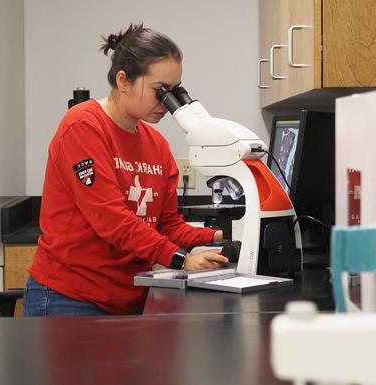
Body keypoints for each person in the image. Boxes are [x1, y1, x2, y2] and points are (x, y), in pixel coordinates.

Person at [24, 24, 228, 316]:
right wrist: (180, 260)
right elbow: (112, 220)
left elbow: (167, 225)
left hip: (128, 298)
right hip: (69, 298)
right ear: (123, 81)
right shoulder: (82, 126)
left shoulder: (156, 144)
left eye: (175, 91)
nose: (168, 104)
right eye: (161, 91)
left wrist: (223, 237)